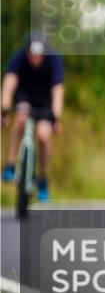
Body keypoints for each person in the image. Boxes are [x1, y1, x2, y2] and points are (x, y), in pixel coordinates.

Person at [1, 34, 64, 201]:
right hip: (25, 96)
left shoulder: (54, 61)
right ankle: (11, 164)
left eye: (39, 55)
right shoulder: (18, 58)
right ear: (27, 52)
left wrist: (56, 118)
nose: (35, 59)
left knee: (43, 135)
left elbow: (58, 91)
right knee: (21, 118)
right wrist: (5, 111)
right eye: (32, 54)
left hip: (45, 101)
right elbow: (9, 84)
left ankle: (43, 177)